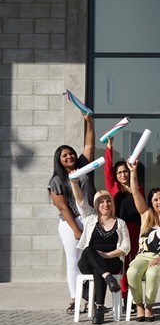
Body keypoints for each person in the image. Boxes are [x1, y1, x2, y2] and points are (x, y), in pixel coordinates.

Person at [49, 112, 96, 314]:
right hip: (71, 223)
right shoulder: (56, 181)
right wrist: (75, 229)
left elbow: (89, 145)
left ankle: (91, 299)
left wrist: (89, 123)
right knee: (74, 261)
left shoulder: (83, 168)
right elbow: (63, 207)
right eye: (64, 155)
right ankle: (75, 299)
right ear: (59, 160)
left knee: (92, 260)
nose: (69, 157)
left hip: (91, 219)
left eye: (71, 153)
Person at [125, 161, 160, 322]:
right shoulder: (146, 216)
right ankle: (139, 305)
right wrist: (133, 172)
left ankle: (149, 306)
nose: (159, 202)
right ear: (151, 202)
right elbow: (135, 192)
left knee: (153, 272)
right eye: (155, 200)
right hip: (143, 256)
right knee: (132, 272)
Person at [71, 182, 130, 324]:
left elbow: (126, 247)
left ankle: (99, 309)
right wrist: (74, 182)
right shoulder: (90, 219)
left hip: (111, 260)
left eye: (108, 201)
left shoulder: (120, 223)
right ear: (96, 205)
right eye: (101, 202)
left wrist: (107, 255)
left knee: (99, 269)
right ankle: (108, 279)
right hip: (88, 260)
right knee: (90, 250)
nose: (105, 204)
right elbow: (80, 201)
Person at [103, 138, 144, 300]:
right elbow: (107, 169)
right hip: (120, 229)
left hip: (136, 228)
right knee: (123, 263)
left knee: (134, 263)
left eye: (125, 171)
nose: (123, 174)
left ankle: (135, 297)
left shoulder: (138, 187)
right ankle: (124, 295)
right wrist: (109, 147)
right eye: (119, 172)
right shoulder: (113, 188)